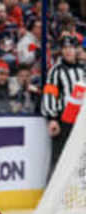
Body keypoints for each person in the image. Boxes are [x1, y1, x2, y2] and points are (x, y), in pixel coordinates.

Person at [41, 34, 85, 178]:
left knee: (81, 161)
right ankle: (50, 196)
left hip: (82, 122)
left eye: (71, 48)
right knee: (59, 160)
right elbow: (49, 94)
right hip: (64, 121)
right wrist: (52, 118)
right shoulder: (56, 70)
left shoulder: (83, 70)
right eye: (65, 48)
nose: (68, 51)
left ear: (77, 50)